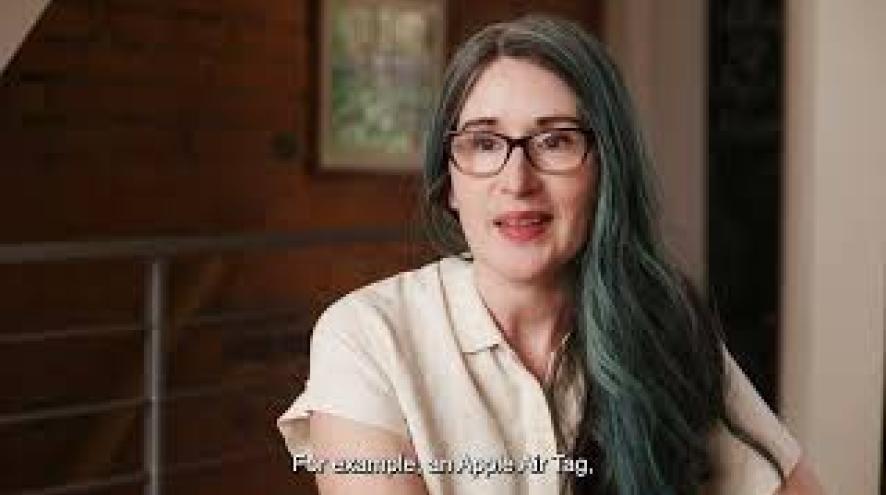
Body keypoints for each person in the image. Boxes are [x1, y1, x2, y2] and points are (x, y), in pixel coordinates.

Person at [278, 15, 824, 495]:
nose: (517, 180)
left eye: (556, 140)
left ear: (605, 169)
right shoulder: (368, 337)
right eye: (485, 143)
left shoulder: (663, 326)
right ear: (449, 182)